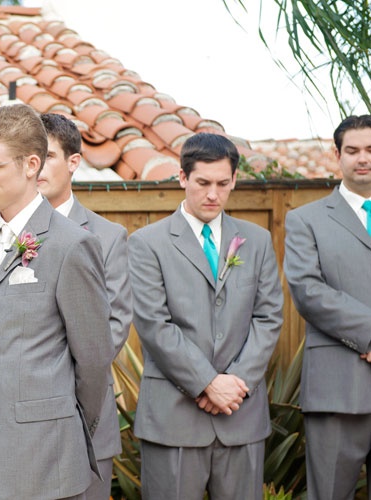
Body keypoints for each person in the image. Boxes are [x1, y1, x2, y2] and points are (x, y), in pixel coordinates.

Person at [0, 104, 114, 500]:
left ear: (31, 165)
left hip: (44, 454)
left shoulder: (72, 245)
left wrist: (62, 425)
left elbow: (93, 358)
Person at [128, 132, 283, 499]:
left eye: (222, 184)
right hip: (173, 418)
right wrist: (208, 383)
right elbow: (154, 324)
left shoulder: (257, 240)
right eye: (203, 183)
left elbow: (269, 317)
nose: (213, 194)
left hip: (241, 414)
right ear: (183, 178)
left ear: (234, 180)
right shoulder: (147, 243)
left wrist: (236, 382)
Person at [38, 112, 132, 500]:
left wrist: (51, 378)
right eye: (27, 156)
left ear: (73, 161)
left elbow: (114, 324)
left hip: (85, 415)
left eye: (46, 156)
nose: (35, 167)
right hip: (17, 426)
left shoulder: (107, 237)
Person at [283, 115, 371, 500]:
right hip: (338, 388)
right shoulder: (306, 220)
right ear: (337, 155)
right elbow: (307, 290)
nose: (363, 158)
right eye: (353, 150)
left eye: (370, 150)